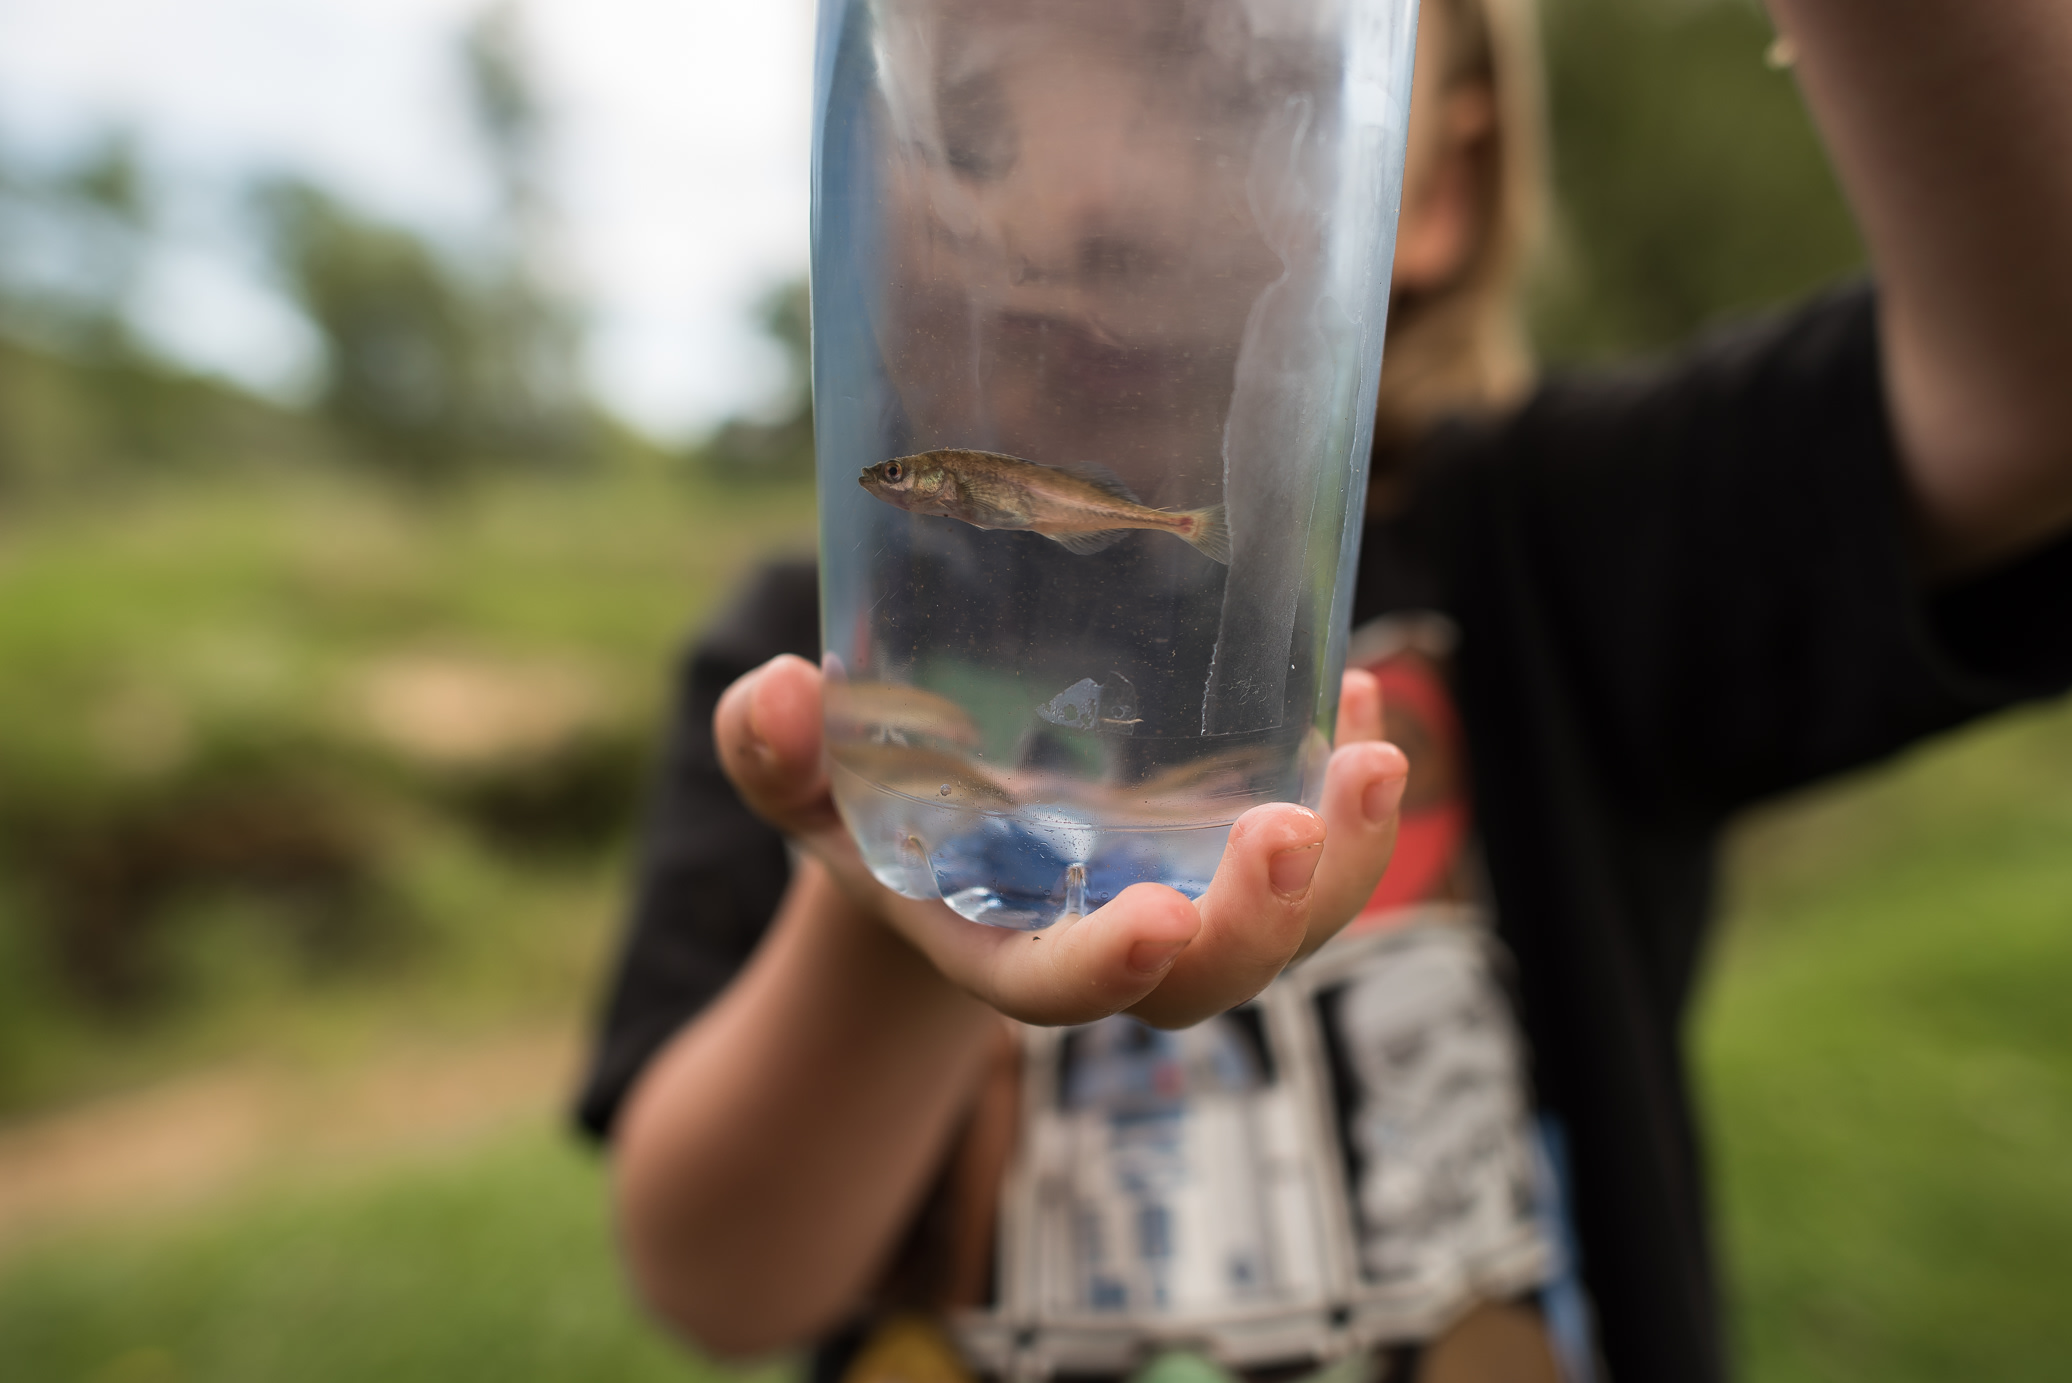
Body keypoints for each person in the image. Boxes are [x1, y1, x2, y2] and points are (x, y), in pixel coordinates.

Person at [576, 1, 2072, 1380]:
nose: (1086, 199)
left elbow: (2035, 398)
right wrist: (894, 900)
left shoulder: (1561, 544)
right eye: (975, 123)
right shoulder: (809, 656)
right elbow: (719, 1286)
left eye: (1225, 84)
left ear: (1432, 183)